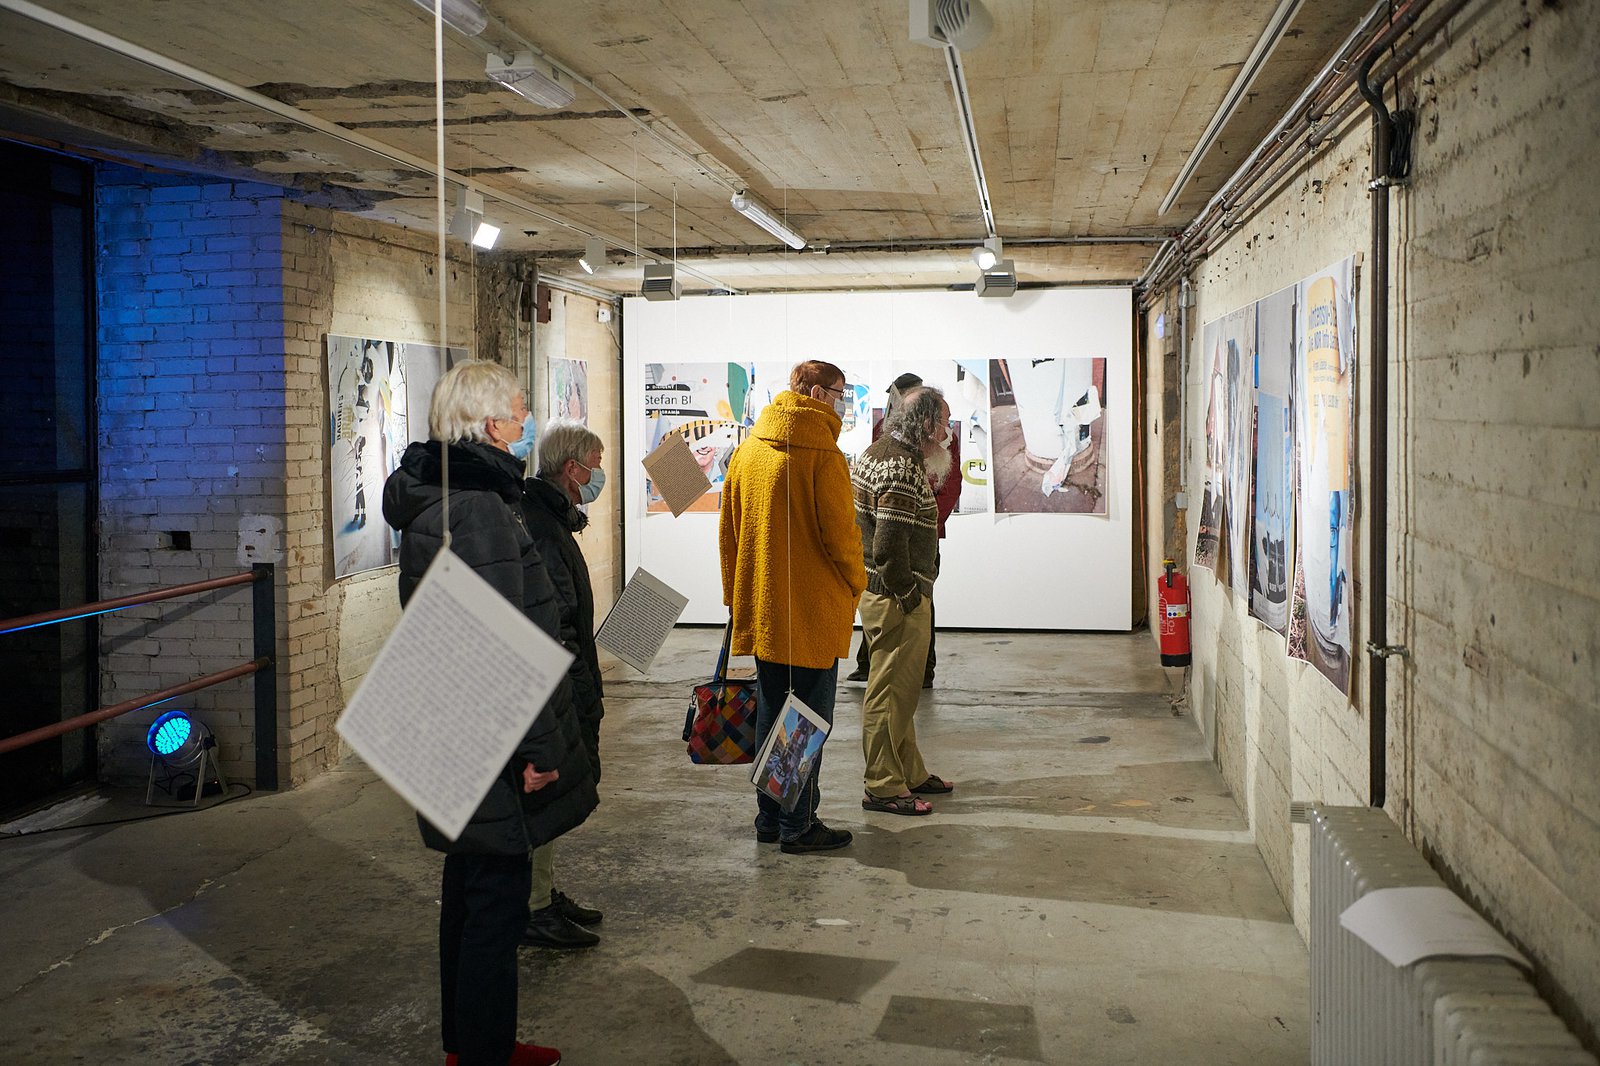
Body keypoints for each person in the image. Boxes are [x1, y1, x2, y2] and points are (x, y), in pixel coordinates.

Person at [382, 360, 596, 1066]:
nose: (526, 417)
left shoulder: (448, 498)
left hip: (456, 722)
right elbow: (508, 637)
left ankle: (472, 1046)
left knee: (470, 895)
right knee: (493, 908)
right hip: (486, 733)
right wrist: (538, 751)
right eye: (517, 406)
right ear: (487, 423)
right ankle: (483, 1053)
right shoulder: (476, 509)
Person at [719, 359, 867, 854]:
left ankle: (769, 817)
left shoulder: (749, 451)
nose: (844, 403)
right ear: (819, 395)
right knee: (805, 718)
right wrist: (856, 583)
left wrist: (735, 596)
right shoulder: (824, 455)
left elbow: (729, 533)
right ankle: (798, 825)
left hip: (766, 609)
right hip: (812, 610)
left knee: (772, 712)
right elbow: (842, 537)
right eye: (841, 393)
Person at [517, 419, 608, 950]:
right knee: (548, 793)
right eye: (594, 464)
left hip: (564, 680)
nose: (598, 474)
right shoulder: (543, 528)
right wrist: (578, 691)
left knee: (558, 793)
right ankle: (532, 908)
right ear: (572, 469)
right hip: (556, 686)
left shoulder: (551, 518)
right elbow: (560, 624)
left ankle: (542, 895)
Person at [851, 386, 956, 816]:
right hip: (895, 597)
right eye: (945, 423)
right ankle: (882, 785)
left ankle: (908, 772)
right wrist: (911, 595)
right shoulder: (900, 467)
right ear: (926, 424)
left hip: (884, 593)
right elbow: (888, 547)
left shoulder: (881, 452)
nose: (947, 432)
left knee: (902, 693)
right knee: (889, 694)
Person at [846, 372, 961, 688]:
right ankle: (874, 663)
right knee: (891, 687)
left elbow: (951, 484)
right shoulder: (894, 454)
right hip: (892, 568)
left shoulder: (929, 445)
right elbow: (887, 542)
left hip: (917, 538)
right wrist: (908, 595)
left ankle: (923, 667)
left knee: (917, 615)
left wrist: (931, 522)